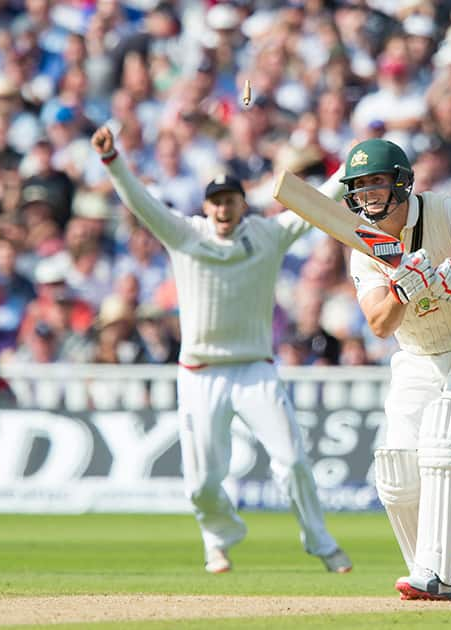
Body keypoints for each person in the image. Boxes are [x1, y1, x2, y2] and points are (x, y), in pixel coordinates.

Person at [91, 126, 352, 575]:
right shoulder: (184, 234)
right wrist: (114, 159)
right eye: (215, 201)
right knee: (202, 482)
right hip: (200, 372)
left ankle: (321, 542)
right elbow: (139, 200)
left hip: (255, 370)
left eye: (230, 200)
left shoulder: (269, 235)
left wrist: (353, 166)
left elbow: (314, 206)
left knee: (292, 461)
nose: (223, 209)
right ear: (205, 206)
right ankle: (218, 540)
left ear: (241, 204)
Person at [344, 139, 451, 600]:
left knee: (445, 432)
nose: (368, 195)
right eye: (359, 187)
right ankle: (430, 565)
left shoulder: (446, 211)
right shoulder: (363, 246)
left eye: (376, 182)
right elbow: (379, 324)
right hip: (418, 355)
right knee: (396, 466)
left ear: (401, 181)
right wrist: (402, 291)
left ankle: (438, 576)